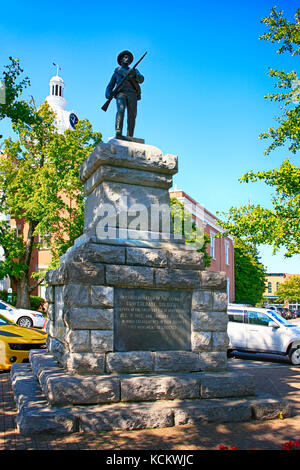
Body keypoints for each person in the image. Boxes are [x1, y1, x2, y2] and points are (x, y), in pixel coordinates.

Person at [105, 50, 144, 138]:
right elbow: (110, 86)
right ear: (121, 60)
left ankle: (130, 135)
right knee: (121, 110)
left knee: (132, 114)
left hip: (132, 94)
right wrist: (108, 94)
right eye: (125, 57)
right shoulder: (117, 72)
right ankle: (118, 131)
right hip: (121, 94)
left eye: (128, 58)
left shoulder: (134, 70)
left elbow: (141, 80)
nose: (127, 59)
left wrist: (135, 75)